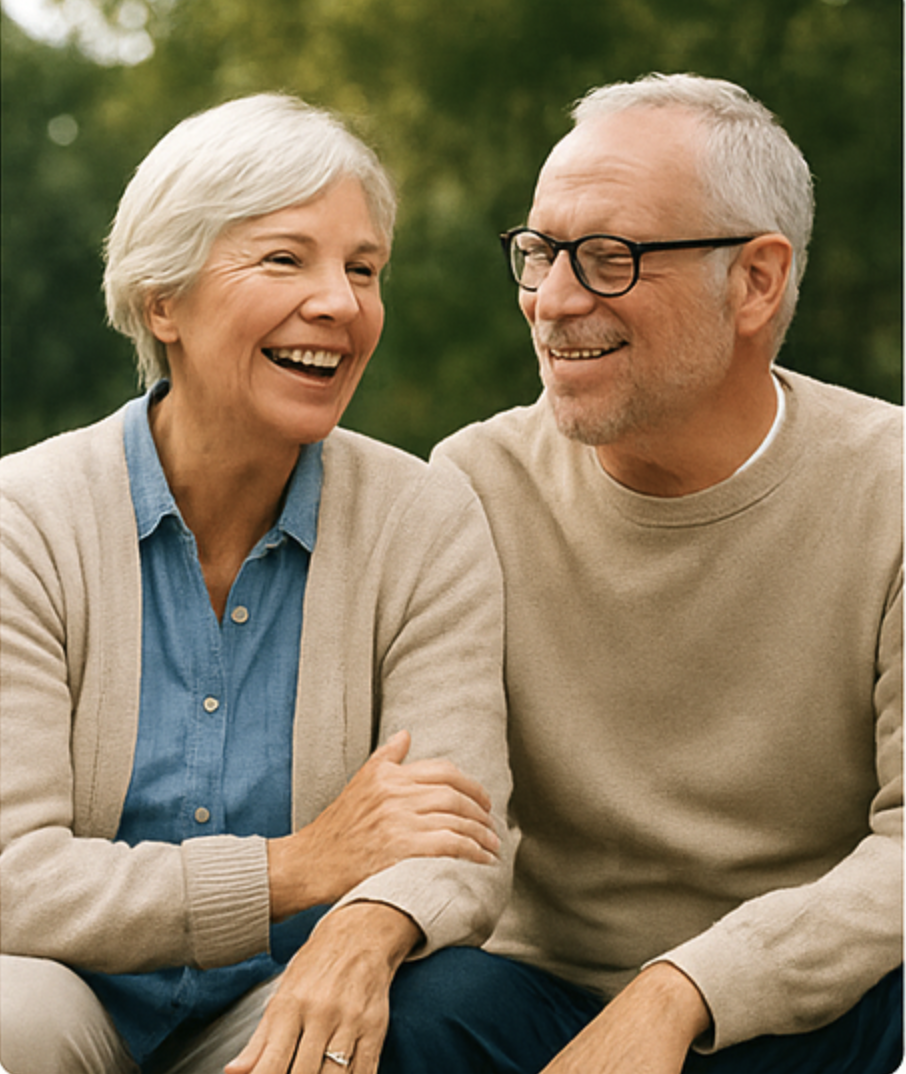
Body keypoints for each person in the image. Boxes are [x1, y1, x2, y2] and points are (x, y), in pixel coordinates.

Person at [0, 94, 514, 1074]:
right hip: (61, 1003)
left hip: (281, 1007)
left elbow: (459, 843)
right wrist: (295, 867)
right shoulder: (21, 523)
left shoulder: (423, 519)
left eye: (363, 269)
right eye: (285, 259)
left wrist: (363, 927)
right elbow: (11, 878)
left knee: (433, 1002)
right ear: (164, 301)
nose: (341, 303)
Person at [414, 73, 902, 1074]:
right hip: (543, 1004)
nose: (552, 301)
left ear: (756, 281)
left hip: (812, 1008)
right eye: (539, 253)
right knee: (413, 1012)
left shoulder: (890, 488)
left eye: (610, 258)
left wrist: (685, 989)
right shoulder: (473, 483)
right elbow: (444, 816)